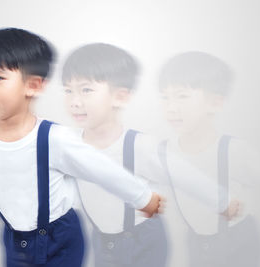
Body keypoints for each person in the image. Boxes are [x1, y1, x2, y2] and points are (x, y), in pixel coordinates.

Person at [0, 28, 162, 267]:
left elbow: (101, 170)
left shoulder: (53, 137)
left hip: (60, 238)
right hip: (15, 239)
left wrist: (142, 196)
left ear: (33, 85)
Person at [61, 43, 236, 267]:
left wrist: (222, 201)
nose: (75, 101)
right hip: (103, 239)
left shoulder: (139, 145)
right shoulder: (68, 143)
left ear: (120, 97)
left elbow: (184, 175)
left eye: (86, 90)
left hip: (142, 240)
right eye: (68, 91)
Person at [157, 51, 260, 267]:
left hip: (238, 243)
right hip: (197, 242)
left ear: (215, 103)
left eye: (182, 96)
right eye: (165, 97)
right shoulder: (164, 152)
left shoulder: (234, 150)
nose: (171, 108)